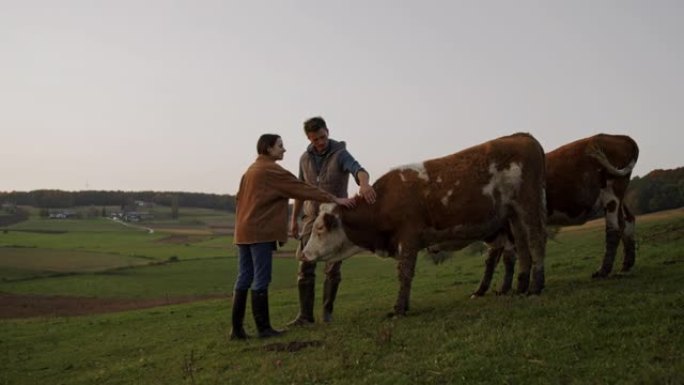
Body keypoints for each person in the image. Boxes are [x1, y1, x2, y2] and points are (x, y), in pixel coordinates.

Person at [231, 133, 355, 340]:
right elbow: (303, 189)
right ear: (269, 149)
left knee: (244, 277)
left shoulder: (250, 170)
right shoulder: (272, 171)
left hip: (242, 231)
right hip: (260, 232)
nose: (284, 149)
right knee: (262, 278)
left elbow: (238, 198)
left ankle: (237, 330)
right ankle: (264, 329)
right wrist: (334, 198)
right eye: (280, 146)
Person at [288, 116, 377, 326]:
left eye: (323, 136)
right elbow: (300, 190)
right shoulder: (304, 159)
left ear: (327, 131)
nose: (320, 142)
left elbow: (359, 170)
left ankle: (327, 313)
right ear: (308, 138)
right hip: (311, 217)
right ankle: (305, 316)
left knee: (333, 267)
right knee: (305, 265)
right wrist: (293, 220)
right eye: (315, 139)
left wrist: (364, 185)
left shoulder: (340, 154)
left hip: (334, 218)